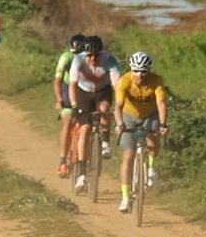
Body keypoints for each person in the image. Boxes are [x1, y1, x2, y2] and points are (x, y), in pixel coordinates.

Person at [114, 51, 168, 213]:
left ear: (149, 70)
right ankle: (125, 197)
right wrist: (119, 124)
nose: (139, 75)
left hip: (150, 115)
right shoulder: (124, 81)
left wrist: (163, 124)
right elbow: (118, 106)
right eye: (136, 71)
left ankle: (151, 168)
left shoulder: (156, 81)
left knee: (153, 136)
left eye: (143, 71)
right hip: (128, 116)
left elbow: (161, 104)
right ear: (131, 69)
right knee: (128, 155)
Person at [70, 36, 123, 192]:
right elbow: (72, 85)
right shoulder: (78, 60)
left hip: (102, 91)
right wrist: (74, 105)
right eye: (89, 56)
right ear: (84, 54)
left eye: (96, 56)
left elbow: (117, 86)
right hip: (83, 92)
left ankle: (105, 141)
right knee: (85, 129)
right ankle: (81, 174)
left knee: (105, 109)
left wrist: (120, 105)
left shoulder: (109, 60)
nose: (93, 59)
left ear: (101, 53)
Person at [54, 34, 88, 176]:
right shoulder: (66, 57)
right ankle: (63, 161)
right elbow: (57, 81)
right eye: (74, 53)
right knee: (67, 121)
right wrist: (59, 99)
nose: (76, 56)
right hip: (68, 88)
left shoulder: (91, 58)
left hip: (85, 89)